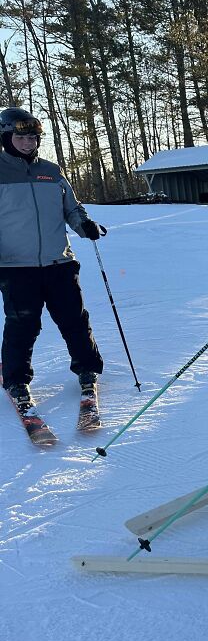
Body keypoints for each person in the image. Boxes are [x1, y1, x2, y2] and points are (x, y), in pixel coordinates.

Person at [0, 107, 106, 412]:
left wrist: (85, 225)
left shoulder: (52, 171)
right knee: (23, 324)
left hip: (59, 262)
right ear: (6, 136)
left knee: (74, 319)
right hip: (15, 266)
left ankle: (87, 368)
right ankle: (17, 380)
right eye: (21, 136)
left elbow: (72, 209)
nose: (29, 141)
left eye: (33, 136)